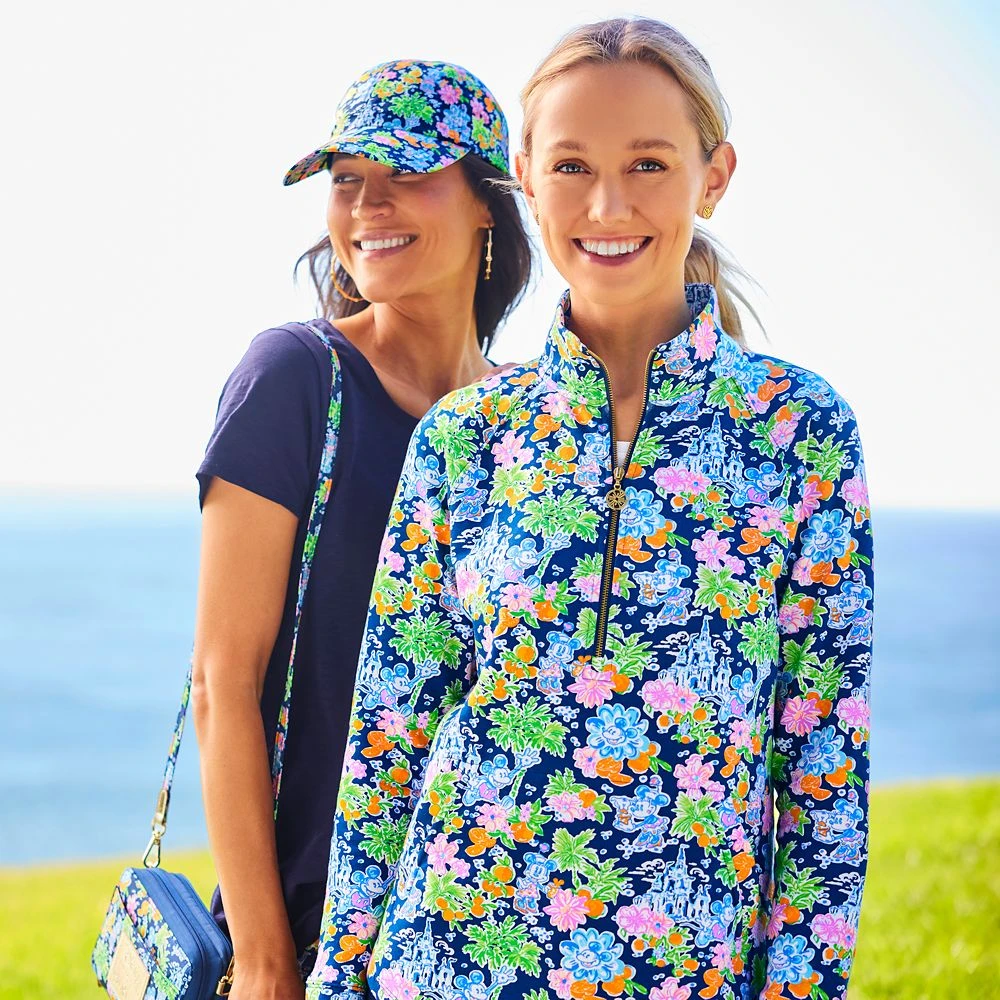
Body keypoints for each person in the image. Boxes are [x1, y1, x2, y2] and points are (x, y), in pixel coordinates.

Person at [306, 18, 873, 1000]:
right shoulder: (463, 439)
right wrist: (337, 980)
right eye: (571, 166)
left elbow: (823, 769)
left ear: (713, 176)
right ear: (526, 178)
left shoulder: (801, 431)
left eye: (648, 163)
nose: (608, 205)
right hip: (439, 967)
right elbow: (387, 744)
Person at [191, 58, 531, 999]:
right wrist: (266, 961)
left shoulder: (528, 421)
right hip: (314, 938)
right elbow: (223, 681)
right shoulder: (295, 380)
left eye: (406, 174)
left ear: (487, 204)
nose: (368, 205)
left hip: (494, 934)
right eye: (347, 179)